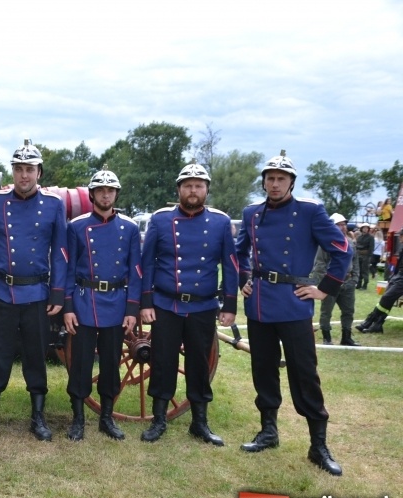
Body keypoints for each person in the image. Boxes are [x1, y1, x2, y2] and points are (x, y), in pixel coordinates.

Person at [236, 150, 350, 476]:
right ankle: (268, 432)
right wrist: (244, 279)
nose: (274, 184)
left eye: (281, 179)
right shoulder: (251, 214)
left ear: (291, 183)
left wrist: (324, 288)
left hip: (294, 303)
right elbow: (238, 252)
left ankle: (318, 445)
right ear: (264, 182)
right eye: (270, 179)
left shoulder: (310, 211)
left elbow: (342, 250)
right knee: (263, 370)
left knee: (304, 373)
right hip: (259, 304)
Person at [0, 139, 68, 441]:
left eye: (30, 169)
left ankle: (38, 417)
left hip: (37, 293)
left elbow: (60, 252)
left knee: (36, 355)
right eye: (19, 169)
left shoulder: (54, 204)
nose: (24, 175)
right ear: (12, 171)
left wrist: (57, 291)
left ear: (39, 172)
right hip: (1, 290)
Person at [139, 160, 238, 446]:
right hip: (166, 304)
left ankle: (199, 423)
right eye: (187, 186)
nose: (193, 191)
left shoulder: (220, 222)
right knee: (162, 361)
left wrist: (230, 304)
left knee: (199, 363)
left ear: (206, 190)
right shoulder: (160, 220)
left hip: (202, 306)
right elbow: (147, 263)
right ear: (178, 190)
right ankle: (159, 420)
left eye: (198, 186)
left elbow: (230, 264)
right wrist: (146, 302)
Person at [63, 166, 141, 441]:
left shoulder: (130, 228)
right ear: (92, 194)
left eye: (110, 190)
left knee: (110, 363)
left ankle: (106, 418)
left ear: (116, 194)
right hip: (85, 301)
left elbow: (136, 271)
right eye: (100, 190)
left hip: (116, 302)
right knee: (81, 364)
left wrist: (132, 308)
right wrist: (68, 307)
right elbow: (68, 269)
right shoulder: (77, 226)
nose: (105, 195)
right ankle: (78, 420)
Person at [311, 213, 359, 346]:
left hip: (348, 281)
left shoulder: (349, 242)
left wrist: (355, 278)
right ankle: (327, 338)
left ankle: (346, 337)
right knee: (326, 311)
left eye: (344, 224)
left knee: (348, 311)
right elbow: (320, 264)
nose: (343, 227)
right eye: (339, 224)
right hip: (331, 282)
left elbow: (355, 261)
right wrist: (325, 283)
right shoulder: (325, 243)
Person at [356, 243, 403, 334]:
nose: (400, 238)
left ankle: (369, 321)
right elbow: (398, 263)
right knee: (387, 299)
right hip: (398, 276)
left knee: (387, 297)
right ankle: (377, 325)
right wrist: (393, 276)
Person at [355, 222, 374, 290]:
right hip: (359, 255)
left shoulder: (371, 237)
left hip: (366, 256)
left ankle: (365, 284)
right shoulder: (359, 237)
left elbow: (371, 248)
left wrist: (368, 256)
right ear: (361, 229)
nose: (365, 229)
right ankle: (359, 283)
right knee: (359, 270)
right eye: (364, 228)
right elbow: (357, 246)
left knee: (365, 270)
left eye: (366, 228)